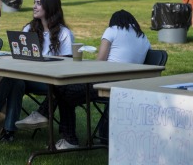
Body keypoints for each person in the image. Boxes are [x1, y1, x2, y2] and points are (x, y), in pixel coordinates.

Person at [0, 0, 74, 143]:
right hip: (27, 77)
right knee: (16, 82)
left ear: (50, 7)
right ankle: (8, 131)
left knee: (14, 80)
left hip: (51, 83)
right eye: (34, 2)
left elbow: (67, 65)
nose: (34, 6)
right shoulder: (29, 29)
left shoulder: (64, 33)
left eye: (38, 3)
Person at [52, 10, 150, 149]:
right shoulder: (143, 37)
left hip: (106, 83)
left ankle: (69, 139)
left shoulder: (112, 30)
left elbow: (100, 62)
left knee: (62, 89)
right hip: (131, 85)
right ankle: (51, 122)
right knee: (63, 91)